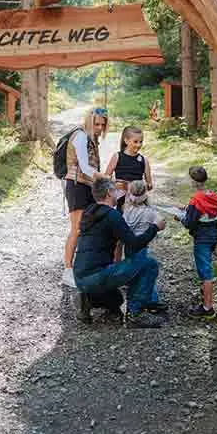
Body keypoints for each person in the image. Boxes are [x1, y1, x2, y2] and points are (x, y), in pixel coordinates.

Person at [74, 177, 167, 328]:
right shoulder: (112, 215)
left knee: (117, 300)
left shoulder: (88, 212)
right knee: (149, 265)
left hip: (80, 276)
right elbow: (135, 243)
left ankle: (88, 299)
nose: (119, 193)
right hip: (99, 274)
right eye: (116, 190)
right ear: (109, 193)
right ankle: (134, 315)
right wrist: (155, 227)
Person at [61, 107, 108, 287]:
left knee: (88, 228)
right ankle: (67, 270)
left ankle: (82, 267)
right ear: (89, 121)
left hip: (87, 186)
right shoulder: (80, 136)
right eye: (96, 124)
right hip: (76, 185)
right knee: (77, 228)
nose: (99, 128)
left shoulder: (92, 139)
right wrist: (104, 177)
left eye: (102, 125)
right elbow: (85, 167)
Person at [177, 165, 217, 319]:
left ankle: (207, 307)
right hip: (213, 235)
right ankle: (205, 297)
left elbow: (189, 223)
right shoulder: (211, 195)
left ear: (192, 181)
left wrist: (180, 217)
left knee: (205, 273)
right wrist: (187, 208)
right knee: (207, 268)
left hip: (202, 239)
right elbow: (207, 211)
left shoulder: (195, 201)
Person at [120, 180, 167, 314]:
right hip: (142, 247)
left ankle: (147, 300)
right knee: (146, 273)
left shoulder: (126, 210)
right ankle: (145, 302)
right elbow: (161, 222)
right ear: (145, 195)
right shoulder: (149, 212)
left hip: (128, 247)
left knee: (134, 272)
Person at [104, 125, 154, 208]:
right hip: (121, 200)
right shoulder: (117, 156)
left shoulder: (144, 160)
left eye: (141, 141)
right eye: (135, 141)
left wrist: (138, 186)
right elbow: (105, 178)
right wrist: (115, 184)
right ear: (126, 141)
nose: (139, 145)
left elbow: (150, 186)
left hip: (138, 201)